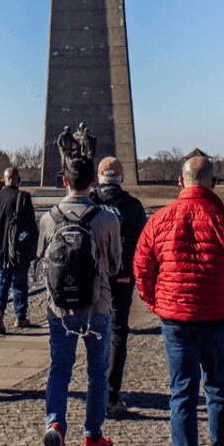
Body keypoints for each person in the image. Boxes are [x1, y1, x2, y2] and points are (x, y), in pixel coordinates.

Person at [133, 156, 224, 446]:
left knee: (181, 394)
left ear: (180, 181)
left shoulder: (159, 220)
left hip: (175, 320)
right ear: (213, 183)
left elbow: (142, 267)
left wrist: (154, 302)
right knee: (218, 389)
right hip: (218, 318)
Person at [38, 157, 122, 446]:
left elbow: (41, 262)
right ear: (94, 183)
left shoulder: (48, 218)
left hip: (58, 309)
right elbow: (114, 266)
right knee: (97, 373)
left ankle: (55, 425)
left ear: (64, 182)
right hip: (97, 307)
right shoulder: (108, 219)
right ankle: (93, 437)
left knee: (60, 370)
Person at [90, 157, 146, 418]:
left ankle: (92, 393)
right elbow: (142, 247)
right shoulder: (133, 206)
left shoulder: (89, 203)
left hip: (91, 280)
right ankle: (111, 395)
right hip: (121, 279)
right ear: (121, 178)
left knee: (92, 333)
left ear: (99, 177)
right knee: (117, 333)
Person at [0, 166, 38, 333]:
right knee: (20, 283)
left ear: (4, 179)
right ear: (19, 180)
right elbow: (32, 227)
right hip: (19, 250)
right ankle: (20, 317)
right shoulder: (23, 197)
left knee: (1, 282)